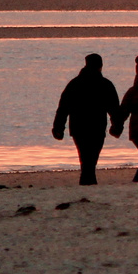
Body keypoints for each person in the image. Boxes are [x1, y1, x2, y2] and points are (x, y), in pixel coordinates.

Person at [51, 53, 122, 185]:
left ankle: (87, 182)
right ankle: (88, 182)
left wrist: (58, 128)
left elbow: (63, 108)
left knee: (85, 158)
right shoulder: (105, 84)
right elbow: (114, 109)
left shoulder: (74, 83)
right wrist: (117, 126)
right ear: (100, 66)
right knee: (91, 159)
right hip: (97, 127)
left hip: (79, 127)